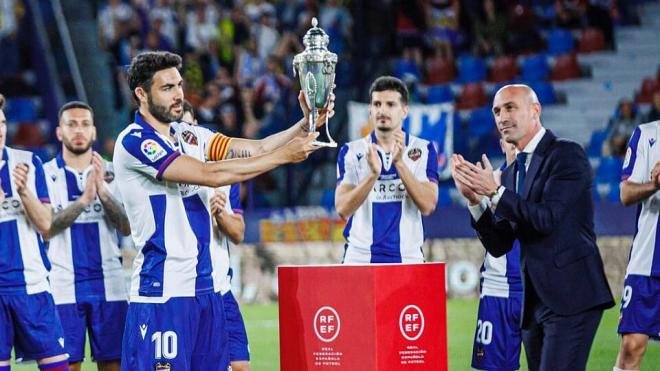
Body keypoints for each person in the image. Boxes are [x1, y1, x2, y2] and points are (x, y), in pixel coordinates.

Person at [115, 51, 329, 370]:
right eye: (167, 88)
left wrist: (307, 123)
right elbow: (210, 174)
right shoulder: (135, 142)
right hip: (163, 294)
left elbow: (257, 148)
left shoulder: (191, 135)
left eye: (179, 85)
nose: (179, 94)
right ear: (141, 94)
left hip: (207, 291)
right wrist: (285, 156)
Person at [451, 84, 614, 370]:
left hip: (571, 296)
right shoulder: (514, 171)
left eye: (510, 107)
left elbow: (546, 218)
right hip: (533, 303)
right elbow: (500, 244)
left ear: (535, 110)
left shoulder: (566, 155)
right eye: (497, 111)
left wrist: (495, 193)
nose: (502, 117)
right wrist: (475, 202)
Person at [42, 101, 130, 371]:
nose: (78, 130)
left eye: (84, 124)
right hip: (62, 284)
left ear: (94, 132)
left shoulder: (115, 173)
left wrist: (103, 193)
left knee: (114, 364)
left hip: (111, 284)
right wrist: (84, 201)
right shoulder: (44, 174)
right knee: (67, 365)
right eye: (71, 124)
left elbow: (126, 227)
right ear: (59, 132)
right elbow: (46, 228)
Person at [335, 76, 439, 264]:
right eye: (377, 104)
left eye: (390, 104)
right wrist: (372, 175)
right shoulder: (351, 151)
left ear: (404, 110)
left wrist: (400, 164)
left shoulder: (423, 150)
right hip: (359, 258)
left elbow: (428, 205)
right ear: (370, 110)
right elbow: (342, 209)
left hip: (408, 258)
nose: (382, 110)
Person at [0, 93, 70, 370]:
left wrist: (24, 193)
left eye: (3, 122)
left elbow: (46, 227)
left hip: (32, 286)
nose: (0, 129)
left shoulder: (27, 163)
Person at [181, 102, 251, 371]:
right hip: (183, 292)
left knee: (240, 366)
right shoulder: (164, 177)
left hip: (221, 290)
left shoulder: (224, 175)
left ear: (197, 128)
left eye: (188, 127)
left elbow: (238, 233)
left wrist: (220, 214)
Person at [471, 138, 523, 371]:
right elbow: (486, 232)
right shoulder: (488, 180)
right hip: (498, 287)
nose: (517, 147)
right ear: (501, 144)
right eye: (510, 142)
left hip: (539, 288)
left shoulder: (545, 181)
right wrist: (475, 199)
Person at [614, 121, 660, 371]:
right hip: (648, 261)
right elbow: (625, 193)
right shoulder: (648, 134)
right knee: (631, 347)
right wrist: (655, 184)